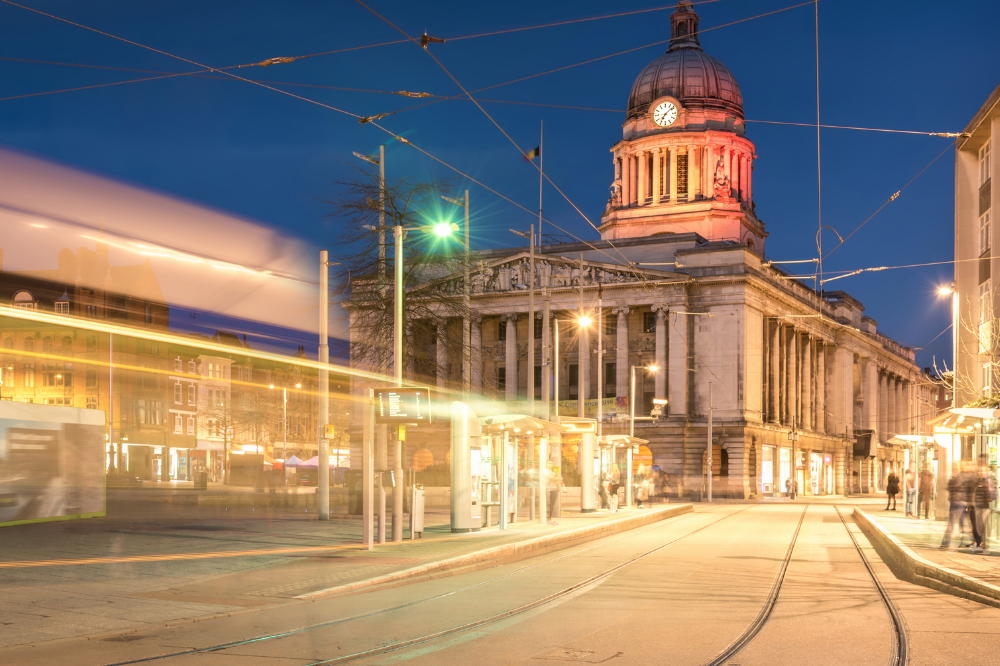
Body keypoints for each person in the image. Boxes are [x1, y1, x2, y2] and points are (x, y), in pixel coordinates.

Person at [941, 465, 969, 549]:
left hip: (956, 502)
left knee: (953, 523)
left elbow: (949, 488)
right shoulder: (960, 477)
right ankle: (964, 542)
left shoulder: (955, 478)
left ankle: (946, 542)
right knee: (961, 522)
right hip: (958, 502)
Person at [972, 467, 993, 554]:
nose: (981, 473)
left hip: (985, 508)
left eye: (983, 471)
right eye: (980, 471)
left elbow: (992, 495)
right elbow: (973, 494)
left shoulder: (988, 482)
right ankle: (980, 544)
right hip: (978, 507)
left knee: (984, 527)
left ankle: (984, 544)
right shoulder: (976, 483)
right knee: (979, 527)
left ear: (986, 472)